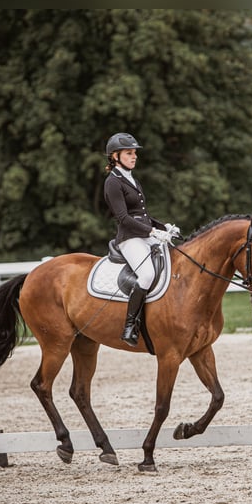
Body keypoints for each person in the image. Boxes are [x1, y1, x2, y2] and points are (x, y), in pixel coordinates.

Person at [103, 132, 178, 347]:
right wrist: (152, 232)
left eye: (135, 153)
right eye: (129, 153)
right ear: (115, 156)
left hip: (144, 234)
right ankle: (130, 326)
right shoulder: (113, 182)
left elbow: (142, 214)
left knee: (174, 262)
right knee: (146, 275)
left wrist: (164, 227)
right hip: (129, 239)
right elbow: (123, 218)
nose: (134, 156)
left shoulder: (132, 179)